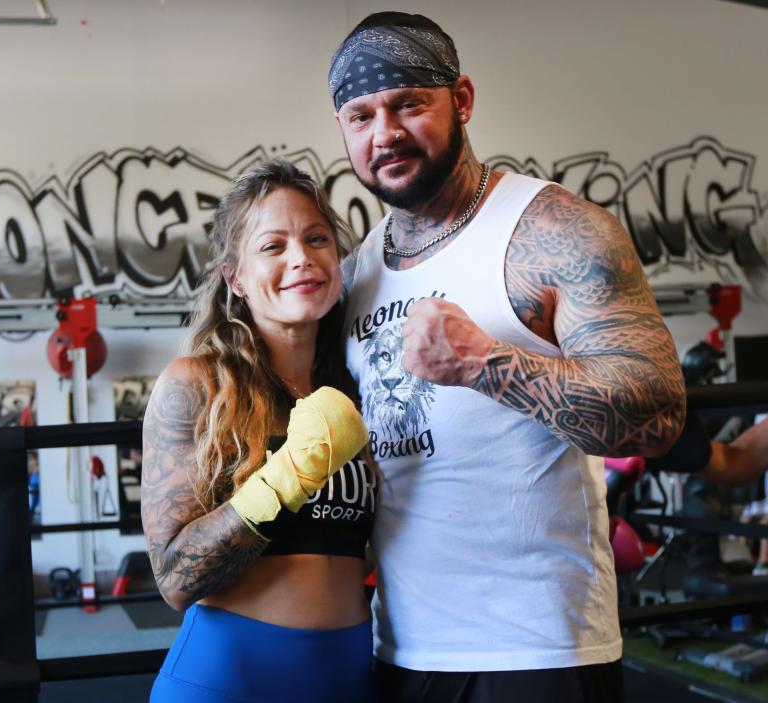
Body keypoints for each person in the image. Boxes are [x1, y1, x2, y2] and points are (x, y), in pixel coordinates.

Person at [329, 12, 685, 702]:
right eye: (361, 115)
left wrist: (483, 364)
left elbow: (660, 415)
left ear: (461, 99)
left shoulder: (552, 231)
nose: (386, 133)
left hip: (539, 647)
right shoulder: (355, 276)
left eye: (409, 104)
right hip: (399, 647)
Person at [141, 159, 377, 703]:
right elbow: (175, 580)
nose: (301, 258)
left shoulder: (358, 391)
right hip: (229, 678)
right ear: (236, 276)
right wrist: (286, 477)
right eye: (273, 246)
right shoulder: (196, 385)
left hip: (351, 674)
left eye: (317, 238)